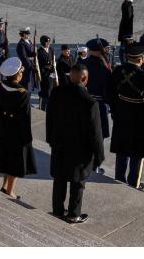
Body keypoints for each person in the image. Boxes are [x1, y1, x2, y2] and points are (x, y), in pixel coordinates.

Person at [46, 63, 105, 224]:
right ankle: (73, 214)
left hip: (60, 145)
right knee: (78, 183)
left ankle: (58, 211)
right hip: (80, 151)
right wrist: (99, 156)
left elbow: (49, 119)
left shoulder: (57, 93)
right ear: (85, 78)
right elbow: (96, 134)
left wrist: (50, 139)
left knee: (59, 179)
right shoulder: (90, 102)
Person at [107, 43, 144, 189]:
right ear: (141, 58)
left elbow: (110, 93)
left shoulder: (118, 70)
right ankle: (134, 182)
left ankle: (119, 177)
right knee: (137, 152)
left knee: (122, 149)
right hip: (140, 117)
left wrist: (115, 111)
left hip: (122, 113)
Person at [0, 57, 36, 199]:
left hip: (4, 125)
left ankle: (5, 185)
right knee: (15, 161)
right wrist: (27, 137)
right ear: (18, 75)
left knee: (6, 157)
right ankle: (9, 191)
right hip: (17, 130)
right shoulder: (22, 93)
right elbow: (25, 118)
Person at [82, 38, 113, 144]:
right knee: (99, 135)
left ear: (91, 51)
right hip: (101, 104)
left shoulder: (83, 64)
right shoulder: (105, 69)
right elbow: (109, 90)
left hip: (85, 103)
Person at [36, 35, 57, 111]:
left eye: (49, 41)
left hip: (52, 74)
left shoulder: (51, 49)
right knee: (45, 93)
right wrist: (46, 71)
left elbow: (53, 59)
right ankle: (43, 108)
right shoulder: (39, 52)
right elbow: (38, 65)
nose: (48, 43)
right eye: (47, 42)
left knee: (52, 91)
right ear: (42, 42)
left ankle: (50, 108)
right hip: (44, 75)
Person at [15, 27, 37, 92]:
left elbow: (30, 52)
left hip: (31, 63)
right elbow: (24, 57)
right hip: (26, 66)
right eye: (27, 34)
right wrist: (31, 66)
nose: (29, 35)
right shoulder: (21, 44)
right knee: (26, 83)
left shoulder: (29, 41)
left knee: (31, 84)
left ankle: (28, 99)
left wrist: (33, 54)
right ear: (24, 34)